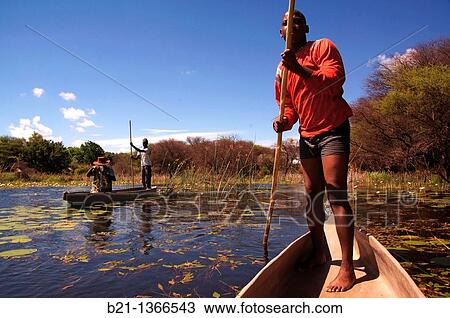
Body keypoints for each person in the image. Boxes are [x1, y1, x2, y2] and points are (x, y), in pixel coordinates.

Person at [273, 10, 355, 292]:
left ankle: (347, 268)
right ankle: (320, 252)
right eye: (285, 23)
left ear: (306, 26)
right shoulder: (281, 70)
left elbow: (334, 82)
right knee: (311, 194)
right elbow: (288, 106)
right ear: (280, 33)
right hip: (306, 134)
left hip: (333, 127)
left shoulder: (323, 47)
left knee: (335, 189)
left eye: (296, 20)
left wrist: (299, 69)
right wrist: (284, 120)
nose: (291, 24)